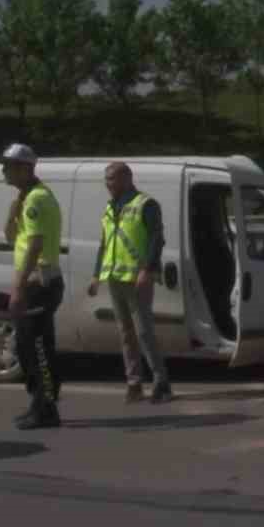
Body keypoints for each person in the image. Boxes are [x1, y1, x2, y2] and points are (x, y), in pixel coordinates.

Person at [88, 161, 172, 404]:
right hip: (115, 277)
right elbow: (105, 243)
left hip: (137, 279)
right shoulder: (109, 206)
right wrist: (96, 275)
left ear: (127, 178)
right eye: (106, 179)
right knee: (125, 333)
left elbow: (157, 238)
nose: (108, 184)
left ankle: (161, 382)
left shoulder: (145, 204)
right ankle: (134, 383)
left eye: (112, 178)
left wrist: (147, 270)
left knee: (144, 331)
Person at [0, 143, 64, 430]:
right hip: (38, 281)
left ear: (26, 168)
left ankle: (45, 409)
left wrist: (18, 288)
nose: (3, 170)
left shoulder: (36, 198)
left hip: (39, 281)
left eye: (9, 166)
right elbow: (13, 238)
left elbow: (35, 246)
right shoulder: (26, 198)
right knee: (33, 346)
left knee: (35, 348)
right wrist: (12, 214)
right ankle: (41, 403)